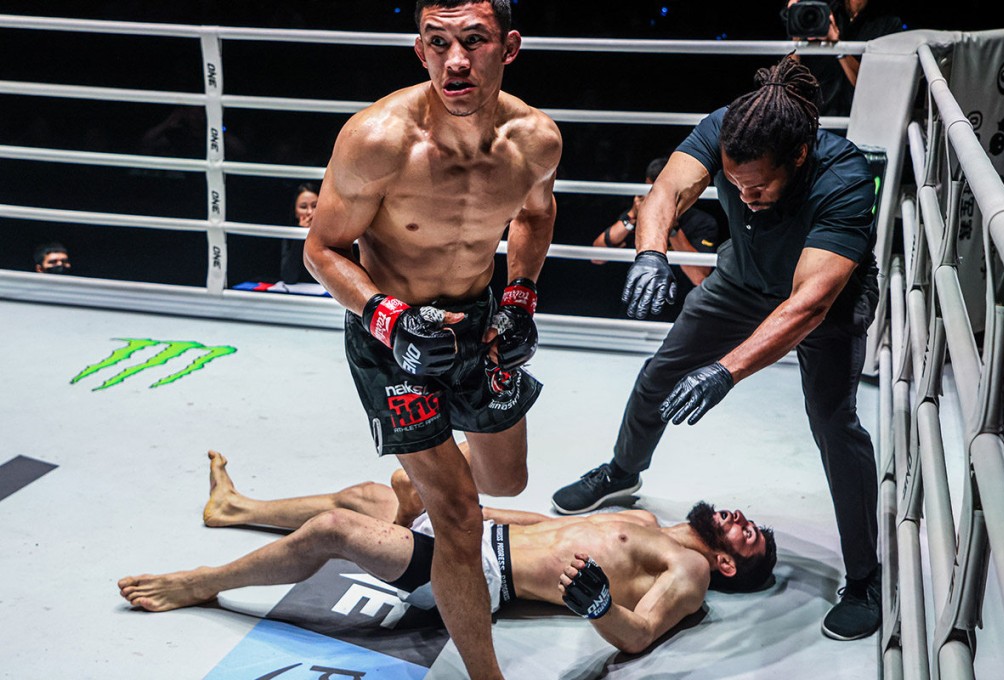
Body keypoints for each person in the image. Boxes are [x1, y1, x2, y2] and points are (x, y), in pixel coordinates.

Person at [552, 55, 882, 642]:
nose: (745, 196)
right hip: (742, 281)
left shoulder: (845, 179)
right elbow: (666, 191)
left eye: (758, 187)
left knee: (833, 422)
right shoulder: (728, 125)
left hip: (823, 303)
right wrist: (652, 252)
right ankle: (623, 470)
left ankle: (863, 579)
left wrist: (725, 373)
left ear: (798, 157)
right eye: (734, 185)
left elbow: (807, 304)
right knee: (661, 372)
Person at [301, 1, 560, 677]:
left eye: (473, 41)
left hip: (477, 319)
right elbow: (321, 250)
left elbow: (535, 214)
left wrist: (520, 297)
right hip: (390, 336)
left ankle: (416, 469)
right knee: (461, 515)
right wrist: (390, 319)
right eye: (438, 42)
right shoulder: (378, 140)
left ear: (509, 47)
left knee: (509, 477)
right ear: (419, 51)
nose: (455, 61)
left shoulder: (536, 140)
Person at [119, 451, 777, 655]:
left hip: (480, 576)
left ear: (727, 566)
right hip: (480, 534)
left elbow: (637, 635)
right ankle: (238, 510)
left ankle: (201, 584)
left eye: (751, 538)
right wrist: (465, 505)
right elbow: (545, 521)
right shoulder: (642, 517)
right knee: (374, 493)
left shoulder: (687, 571)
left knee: (334, 531)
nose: (746, 522)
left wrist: (600, 605)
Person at [592, 157, 719, 293]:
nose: (657, 198)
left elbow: (699, 277)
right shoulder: (638, 214)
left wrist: (670, 225)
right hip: (640, 294)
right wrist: (632, 218)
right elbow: (596, 257)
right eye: (652, 191)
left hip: (680, 300)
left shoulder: (702, 222)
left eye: (661, 192)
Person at [784, 0, 902, 116]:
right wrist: (796, 31)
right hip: (816, 119)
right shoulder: (820, 11)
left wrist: (838, 47)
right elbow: (789, 76)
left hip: (861, 121)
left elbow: (874, 84)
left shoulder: (889, 23)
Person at [279, 182, 320, 285]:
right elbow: (289, 277)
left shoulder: (332, 233)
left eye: (315, 206)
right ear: (295, 212)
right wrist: (300, 235)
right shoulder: (289, 235)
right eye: (303, 207)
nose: (309, 212)